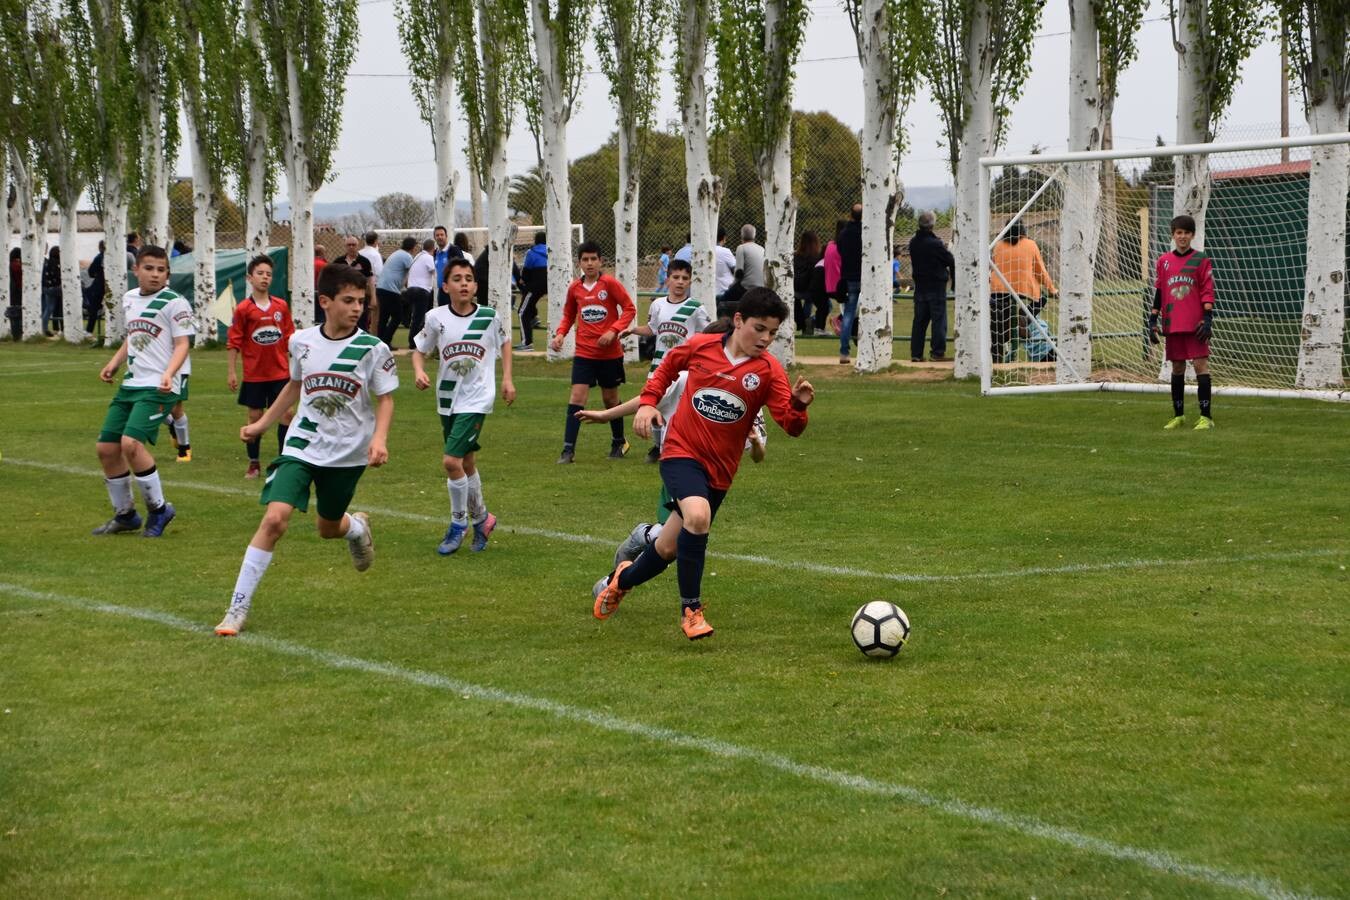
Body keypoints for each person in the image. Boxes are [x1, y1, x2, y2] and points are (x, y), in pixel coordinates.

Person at [589, 288, 813, 640]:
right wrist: (648, 402)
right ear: (738, 321)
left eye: (773, 332)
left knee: (667, 547)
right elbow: (666, 369)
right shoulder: (701, 346)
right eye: (760, 328)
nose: (766, 338)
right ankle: (691, 611)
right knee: (698, 516)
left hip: (720, 471)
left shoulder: (768, 370)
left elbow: (790, 425)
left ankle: (621, 580)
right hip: (681, 452)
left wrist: (798, 407)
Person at [213, 263, 395, 637]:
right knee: (275, 518)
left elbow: (386, 399)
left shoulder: (373, 349)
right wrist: (263, 424)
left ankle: (356, 528)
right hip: (302, 445)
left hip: (347, 452)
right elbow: (295, 386)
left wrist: (379, 439)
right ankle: (237, 607)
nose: (357, 308)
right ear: (325, 302)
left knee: (328, 527)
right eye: (348, 300)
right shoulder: (301, 341)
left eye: (361, 301)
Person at [577, 319, 768, 568]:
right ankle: (629, 563)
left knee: (678, 540)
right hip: (681, 464)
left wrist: (755, 445)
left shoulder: (746, 389)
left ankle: (629, 563)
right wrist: (606, 415)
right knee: (678, 539)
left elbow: (758, 452)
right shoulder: (687, 378)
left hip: (715, 473)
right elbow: (647, 398)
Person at [412, 257, 516, 555]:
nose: (464, 284)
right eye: (457, 279)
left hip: (478, 399)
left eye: (469, 278)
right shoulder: (435, 318)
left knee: (451, 462)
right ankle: (483, 518)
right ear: (445, 286)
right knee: (466, 463)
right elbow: (419, 350)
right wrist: (419, 371)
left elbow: (505, 342)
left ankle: (458, 523)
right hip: (447, 400)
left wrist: (507, 379)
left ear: (476, 285)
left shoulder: (488, 317)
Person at [91, 245, 191, 538]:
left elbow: (183, 344)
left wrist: (169, 374)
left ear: (167, 274)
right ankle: (126, 515)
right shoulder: (130, 299)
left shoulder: (175, 303)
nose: (155, 274)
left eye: (161, 270)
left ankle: (160, 510)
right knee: (106, 448)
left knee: (130, 444)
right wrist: (113, 363)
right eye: (149, 268)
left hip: (159, 386)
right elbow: (132, 338)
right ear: (136, 270)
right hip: (131, 384)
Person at [549, 240, 636, 464]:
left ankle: (619, 441)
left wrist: (614, 330)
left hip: (610, 355)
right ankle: (567, 451)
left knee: (610, 399)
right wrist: (560, 334)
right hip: (584, 354)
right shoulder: (575, 288)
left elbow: (629, 308)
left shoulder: (609, 284)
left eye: (593, 259)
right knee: (577, 397)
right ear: (579, 263)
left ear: (600, 261)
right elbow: (569, 315)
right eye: (585, 260)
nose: (589, 264)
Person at [621, 258, 709, 463]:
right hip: (658, 367)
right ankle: (658, 446)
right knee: (653, 405)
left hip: (683, 370)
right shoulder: (658, 305)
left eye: (685, 278)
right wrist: (633, 330)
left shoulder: (695, 308)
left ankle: (671, 447)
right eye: (675, 277)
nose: (680, 282)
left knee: (677, 410)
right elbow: (653, 329)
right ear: (667, 279)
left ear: (689, 282)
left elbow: (708, 337)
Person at [227, 254, 297, 479]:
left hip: (280, 372)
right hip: (255, 375)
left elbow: (289, 337)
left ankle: (281, 461)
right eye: (260, 273)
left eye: (268, 274)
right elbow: (234, 341)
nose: (265, 278)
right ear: (250, 278)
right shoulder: (243, 309)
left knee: (287, 413)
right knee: (255, 417)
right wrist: (232, 371)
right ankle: (254, 463)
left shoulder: (281, 306)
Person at [1149, 214, 1216, 430]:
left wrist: (1207, 318)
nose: (1183, 237)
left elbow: (1207, 290)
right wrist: (1152, 319)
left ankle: (1206, 416)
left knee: (1200, 365)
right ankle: (1179, 415)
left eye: (1187, 233)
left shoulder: (1201, 260)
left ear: (1193, 235)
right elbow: (1160, 291)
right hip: (1172, 324)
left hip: (1195, 324)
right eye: (1179, 233)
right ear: (1173, 235)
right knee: (1177, 368)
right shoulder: (1164, 261)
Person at [988, 220, 1054, 364]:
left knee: (999, 326)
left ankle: (1018, 321)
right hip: (1022, 290)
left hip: (997, 291)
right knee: (1041, 299)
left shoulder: (998, 245)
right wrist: (1052, 289)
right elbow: (1040, 271)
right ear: (1023, 230)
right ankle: (1022, 317)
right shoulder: (1031, 244)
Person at [907, 210, 955, 362]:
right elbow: (950, 259)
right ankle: (937, 352)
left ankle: (916, 353)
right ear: (932, 225)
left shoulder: (913, 242)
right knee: (938, 321)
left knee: (919, 322)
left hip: (920, 286)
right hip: (936, 286)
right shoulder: (935, 244)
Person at [376, 235, 416, 348]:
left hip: (381, 287)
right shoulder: (407, 256)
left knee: (383, 317)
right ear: (413, 247)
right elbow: (412, 272)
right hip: (390, 289)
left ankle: (380, 343)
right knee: (397, 316)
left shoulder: (396, 253)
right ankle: (386, 341)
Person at [837, 203, 863, 364]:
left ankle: (844, 351)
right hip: (865, 275)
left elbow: (840, 250)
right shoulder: (866, 232)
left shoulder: (844, 233)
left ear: (850, 215)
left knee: (848, 314)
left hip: (849, 276)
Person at [331, 235, 374, 329]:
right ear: (345, 246)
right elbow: (332, 279)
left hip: (360, 298)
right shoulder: (338, 262)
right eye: (349, 245)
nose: (351, 247)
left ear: (357, 246)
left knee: (361, 324)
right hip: (343, 298)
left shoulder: (364, 262)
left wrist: (373, 297)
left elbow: (370, 279)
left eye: (353, 245)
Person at [516, 233, 548, 351]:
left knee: (522, 312)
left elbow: (525, 274)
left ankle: (527, 343)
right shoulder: (552, 251)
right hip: (551, 285)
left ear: (535, 241)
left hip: (536, 285)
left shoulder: (531, 252)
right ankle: (534, 317)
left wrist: (523, 282)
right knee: (529, 301)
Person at [406, 238, 438, 350]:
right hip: (421, 290)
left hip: (411, 289)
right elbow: (434, 272)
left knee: (415, 317)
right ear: (433, 249)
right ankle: (415, 342)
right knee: (420, 318)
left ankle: (413, 340)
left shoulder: (417, 257)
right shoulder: (428, 257)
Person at [792, 231, 821, 336]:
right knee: (827, 306)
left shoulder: (795, 256)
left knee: (805, 302)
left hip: (796, 288)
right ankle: (809, 321)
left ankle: (804, 324)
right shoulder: (817, 257)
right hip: (810, 289)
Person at [432, 224, 464, 308]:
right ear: (434, 238)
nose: (440, 237)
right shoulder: (435, 253)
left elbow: (462, 267)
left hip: (452, 291)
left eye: (442, 235)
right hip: (441, 291)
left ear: (446, 236)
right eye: (437, 235)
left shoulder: (454, 250)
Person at [823, 222, 843, 336]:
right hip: (839, 284)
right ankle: (839, 319)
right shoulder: (843, 247)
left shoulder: (830, 245)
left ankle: (841, 320)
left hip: (829, 284)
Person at [85, 241, 108, 336]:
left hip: (99, 284)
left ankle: (89, 331)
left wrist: (98, 275)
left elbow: (90, 271)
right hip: (109, 284)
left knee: (93, 307)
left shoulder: (99, 257)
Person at [734, 224, 766, 290]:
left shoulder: (741, 248)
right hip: (762, 288)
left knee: (721, 298)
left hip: (747, 288)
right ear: (754, 235)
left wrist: (732, 285)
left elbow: (739, 272)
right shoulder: (762, 249)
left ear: (741, 235)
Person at [41, 246, 62, 337]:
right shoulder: (56, 263)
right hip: (53, 288)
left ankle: (45, 327)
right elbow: (57, 277)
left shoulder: (47, 262)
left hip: (46, 287)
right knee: (50, 308)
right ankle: (45, 328)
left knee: (47, 308)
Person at [714, 227, 736, 300]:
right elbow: (736, 269)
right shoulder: (725, 251)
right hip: (724, 292)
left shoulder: (702, 251)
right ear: (724, 238)